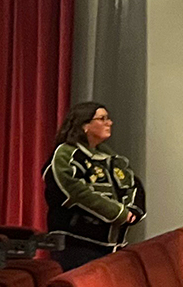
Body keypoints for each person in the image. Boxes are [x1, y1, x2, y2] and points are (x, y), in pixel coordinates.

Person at [44, 101, 145, 269]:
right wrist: (118, 213)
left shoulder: (110, 157)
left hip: (112, 246)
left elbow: (134, 185)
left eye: (108, 118)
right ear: (85, 125)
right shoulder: (66, 154)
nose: (109, 123)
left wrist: (134, 211)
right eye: (102, 118)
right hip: (77, 245)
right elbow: (75, 191)